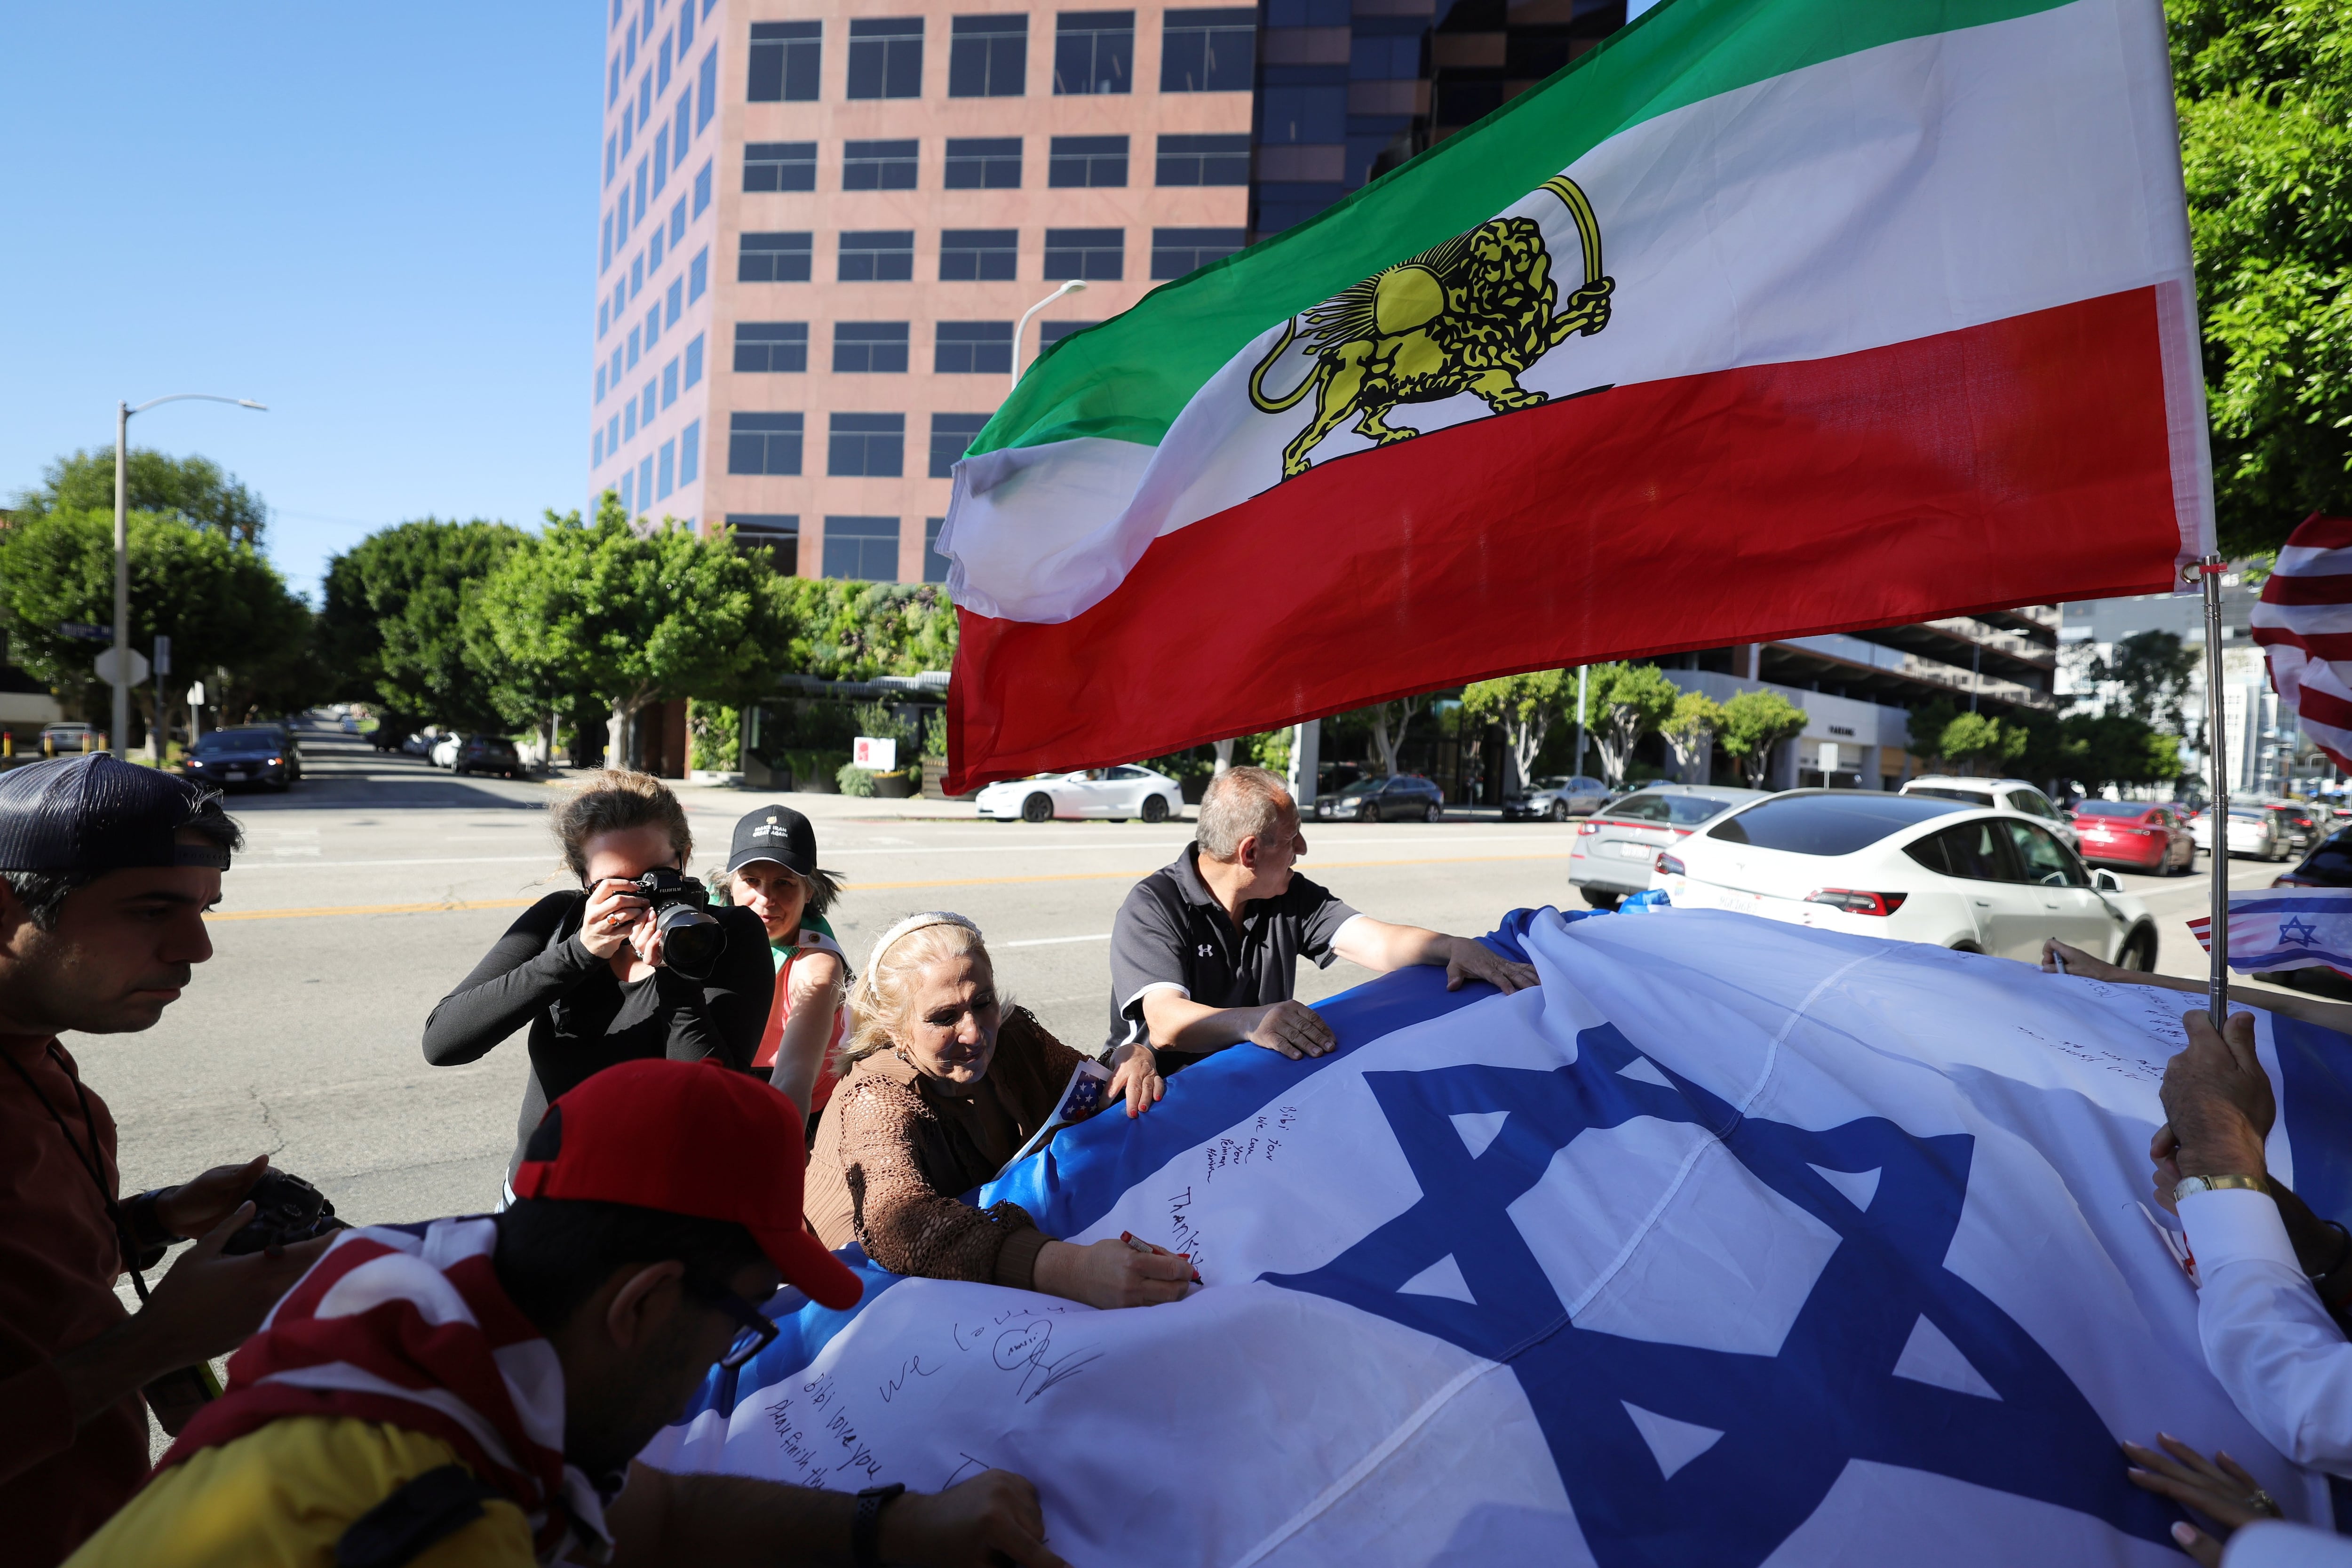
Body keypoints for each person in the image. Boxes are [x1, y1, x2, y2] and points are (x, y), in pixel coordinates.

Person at [67, 1058, 1067, 1568]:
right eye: (743, 1318)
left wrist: (897, 1527)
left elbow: (655, 1516)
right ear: (643, 1302)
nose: (726, 1353)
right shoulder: (441, 1524)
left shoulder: (419, 1306)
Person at [0, 754, 330, 1566]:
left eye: (204, 908)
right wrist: (154, 1344)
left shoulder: (44, 1059)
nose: (197, 948)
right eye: (152, 909)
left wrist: (155, 1220)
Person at [804, 914, 1187, 1308]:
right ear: (895, 1028)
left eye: (982, 1002)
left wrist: (1130, 1060)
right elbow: (901, 1224)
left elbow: (1086, 1093)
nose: (974, 1033)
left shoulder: (1013, 1037)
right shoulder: (875, 1096)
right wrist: (1070, 1268)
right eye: (944, 1017)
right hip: (861, 1292)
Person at [423, 771, 773, 1189]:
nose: (641, 899)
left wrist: (677, 973)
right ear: (584, 879)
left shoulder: (727, 936)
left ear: (684, 857)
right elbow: (442, 1043)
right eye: (617, 887)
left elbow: (714, 1112)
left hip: (655, 1212)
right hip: (538, 1199)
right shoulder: (561, 920)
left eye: (656, 877)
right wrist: (577, 953)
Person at [1108, 765, 1540, 1067]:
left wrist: (1453, 947)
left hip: (1251, 1091)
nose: (1303, 849)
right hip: (1163, 1102)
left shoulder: (1286, 893)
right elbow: (1166, 1022)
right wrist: (1256, 1022)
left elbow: (1374, 940)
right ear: (1250, 852)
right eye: (1292, 838)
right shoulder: (1155, 904)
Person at [715, 804, 849, 1126]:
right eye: (751, 880)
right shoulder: (705, 929)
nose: (766, 899)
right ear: (730, 884)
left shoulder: (817, 962)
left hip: (797, 1111)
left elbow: (793, 1076)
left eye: (784, 883)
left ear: (809, 890)